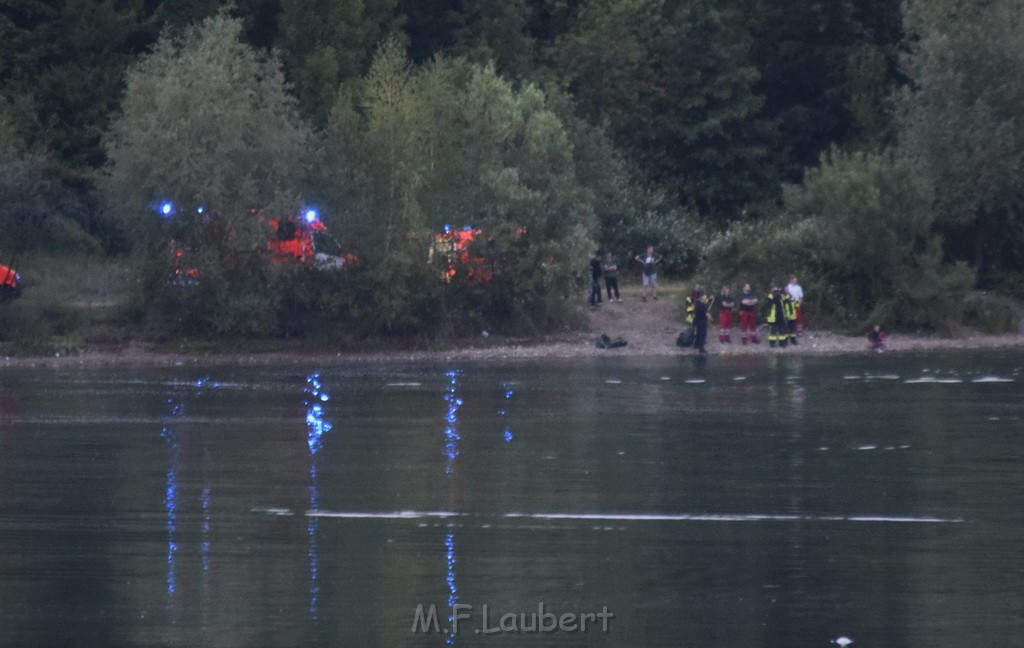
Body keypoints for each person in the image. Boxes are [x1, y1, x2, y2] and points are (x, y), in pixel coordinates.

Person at [765, 282, 788, 348]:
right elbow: (769, 299)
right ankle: (772, 344)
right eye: (774, 288)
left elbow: (787, 298)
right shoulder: (771, 295)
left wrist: (782, 291)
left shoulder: (781, 295)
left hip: (781, 315)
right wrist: (773, 291)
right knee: (773, 330)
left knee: (782, 330)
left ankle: (782, 343)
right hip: (773, 316)